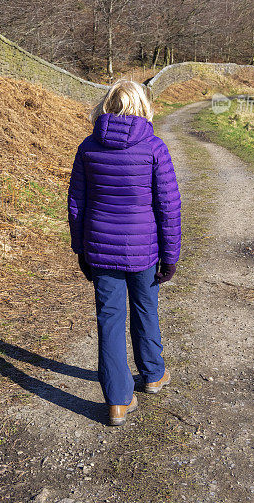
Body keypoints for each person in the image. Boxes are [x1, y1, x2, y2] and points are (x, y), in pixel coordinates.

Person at [67, 79, 181, 426]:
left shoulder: (88, 147)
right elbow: (168, 207)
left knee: (110, 320)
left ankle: (117, 401)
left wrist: (81, 250)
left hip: (101, 250)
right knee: (146, 309)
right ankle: (152, 374)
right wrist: (171, 255)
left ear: (107, 105)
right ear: (143, 107)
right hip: (145, 251)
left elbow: (76, 205)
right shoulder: (154, 147)